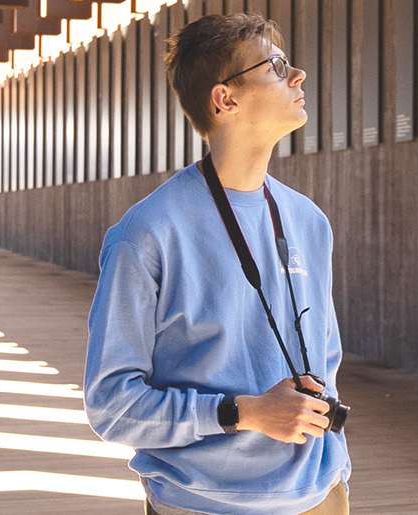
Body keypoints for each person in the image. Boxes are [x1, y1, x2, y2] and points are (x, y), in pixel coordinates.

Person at [84, 12, 350, 515]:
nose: (298, 76)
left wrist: (335, 467)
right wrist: (243, 412)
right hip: (202, 504)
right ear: (224, 98)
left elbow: (326, 363)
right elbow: (112, 406)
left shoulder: (310, 222)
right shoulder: (146, 233)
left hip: (321, 496)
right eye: (275, 66)